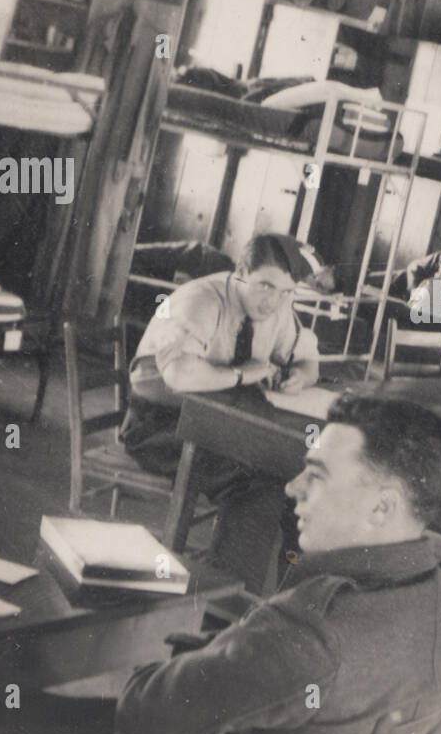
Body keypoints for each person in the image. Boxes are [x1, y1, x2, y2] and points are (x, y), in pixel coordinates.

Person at [0, 396, 441, 734]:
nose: (291, 489)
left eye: (317, 475)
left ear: (382, 507)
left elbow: (146, 716)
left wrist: (199, 660)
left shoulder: (312, 634)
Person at [120, 232, 322, 592]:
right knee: (257, 483)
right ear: (241, 273)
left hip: (223, 422)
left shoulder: (276, 305)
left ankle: (291, 602)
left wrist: (299, 376)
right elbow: (178, 374)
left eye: (286, 292)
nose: (274, 301)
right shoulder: (199, 301)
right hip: (158, 424)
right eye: (265, 286)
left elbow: (307, 358)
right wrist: (243, 374)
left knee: (299, 482)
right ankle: (221, 603)